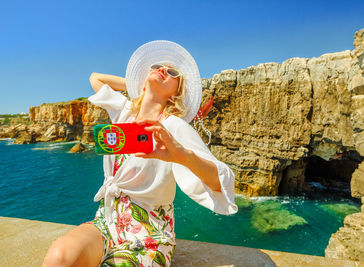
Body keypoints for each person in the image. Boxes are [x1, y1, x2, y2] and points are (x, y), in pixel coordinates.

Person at [42, 40, 238, 267]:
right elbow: (95, 77)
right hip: (107, 221)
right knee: (59, 257)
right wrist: (140, 84)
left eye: (172, 72)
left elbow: (221, 182)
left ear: (176, 94)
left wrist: (182, 156)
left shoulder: (173, 127)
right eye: (156, 67)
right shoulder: (123, 110)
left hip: (149, 233)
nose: (162, 70)